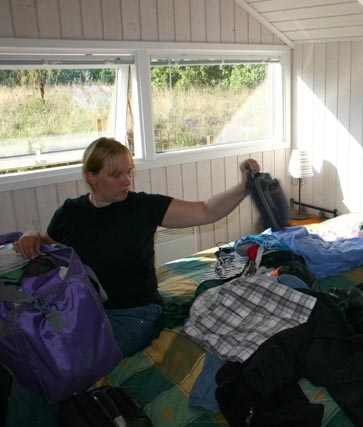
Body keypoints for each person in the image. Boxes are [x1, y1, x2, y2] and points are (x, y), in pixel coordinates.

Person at [6, 137, 260, 426]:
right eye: (116, 175)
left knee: (45, 373)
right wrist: (31, 234)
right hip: (82, 313)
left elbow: (206, 210)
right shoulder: (70, 213)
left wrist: (244, 187)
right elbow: (49, 247)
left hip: (133, 316)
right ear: (92, 177)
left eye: (129, 172)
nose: (126, 181)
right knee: (28, 356)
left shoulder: (141, 207)